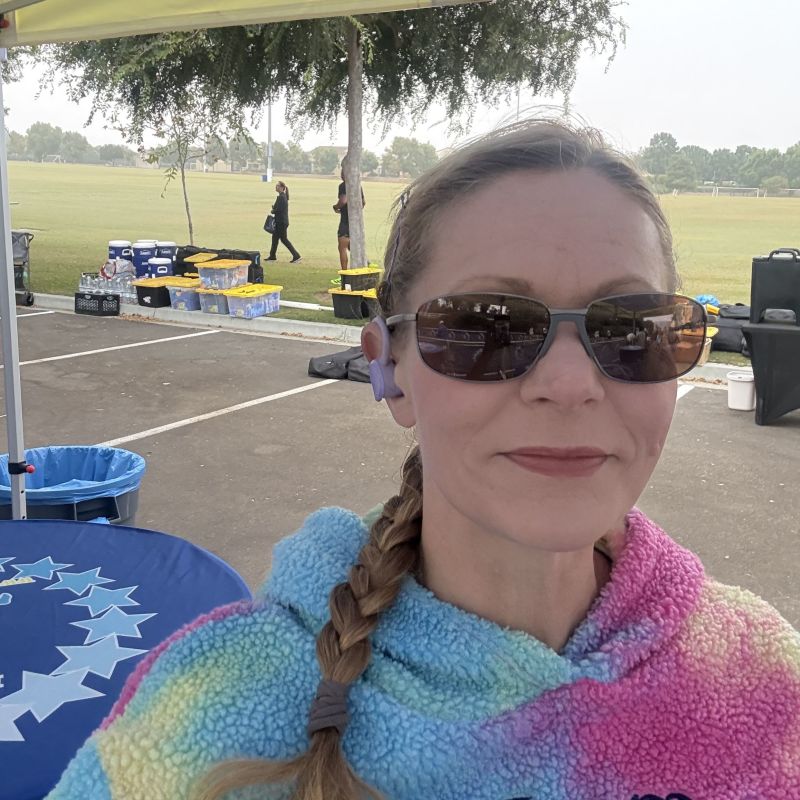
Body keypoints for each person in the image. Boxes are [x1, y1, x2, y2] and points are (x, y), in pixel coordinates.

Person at [48, 121, 800, 800]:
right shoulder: (211, 709)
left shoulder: (763, 675)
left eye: (631, 327)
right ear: (389, 368)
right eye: (486, 327)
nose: (571, 384)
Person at [333, 167, 365, 269]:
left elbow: (343, 200)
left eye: (342, 173)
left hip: (345, 221)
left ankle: (344, 272)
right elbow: (363, 203)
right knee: (353, 246)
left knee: (342, 247)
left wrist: (335, 207)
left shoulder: (344, 185)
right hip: (356, 221)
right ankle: (366, 263)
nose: (341, 175)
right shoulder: (357, 186)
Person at [267, 180, 301, 263]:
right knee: (275, 238)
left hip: (281, 222)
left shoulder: (282, 197)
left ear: (282, 188)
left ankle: (296, 256)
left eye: (278, 186)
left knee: (284, 239)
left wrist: (273, 211)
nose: (276, 187)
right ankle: (272, 256)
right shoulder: (282, 196)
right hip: (281, 221)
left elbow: (278, 210)